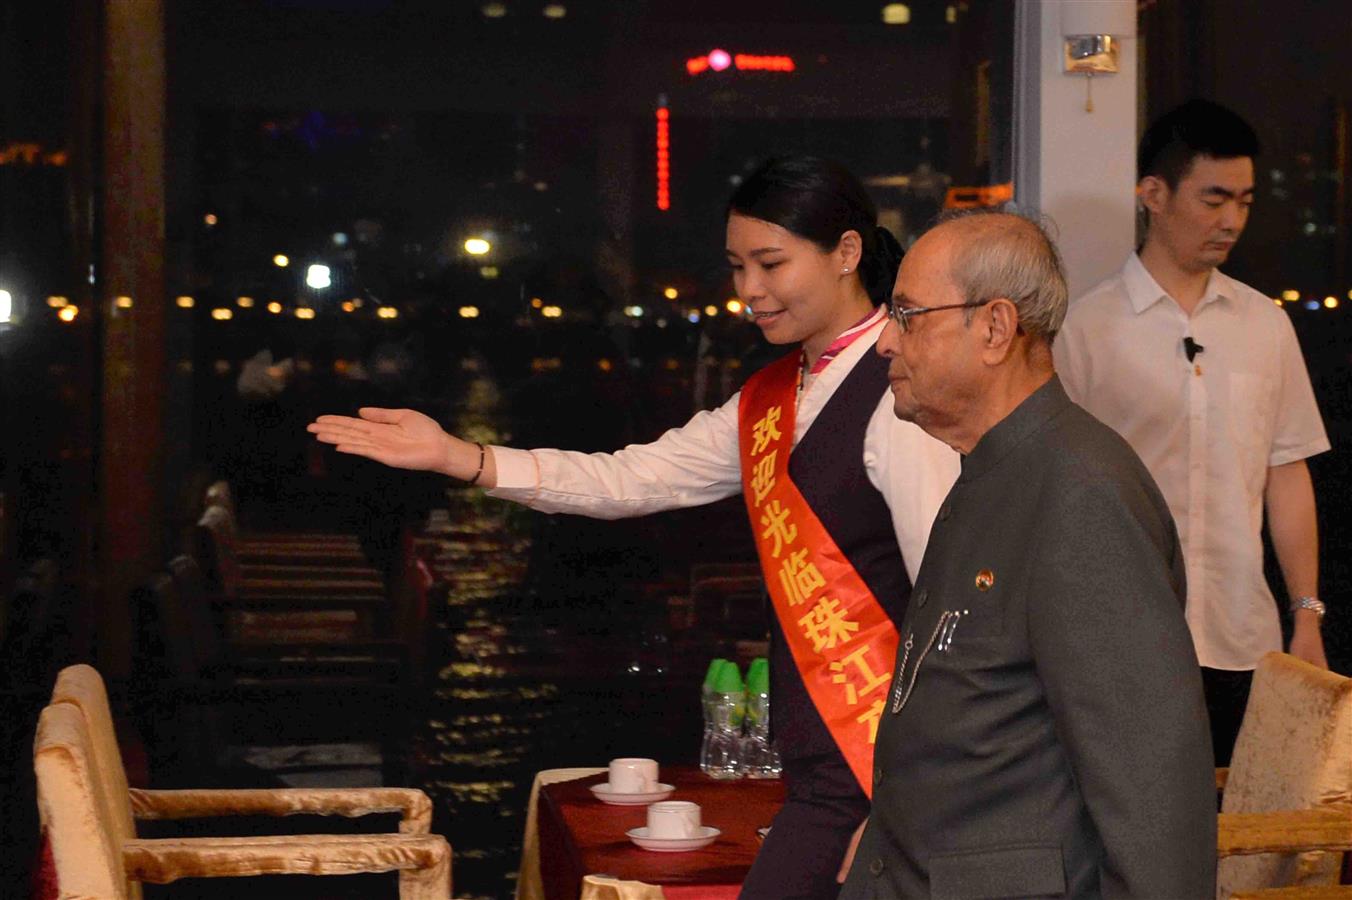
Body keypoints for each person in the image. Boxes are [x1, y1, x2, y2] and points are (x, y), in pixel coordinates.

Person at [309, 155, 960, 900]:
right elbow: (631, 478)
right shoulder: (774, 395)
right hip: (823, 764)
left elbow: (949, 615)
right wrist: (462, 457)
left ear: (846, 253)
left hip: (884, 774)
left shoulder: (902, 392)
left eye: (771, 263)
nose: (749, 290)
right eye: (737, 265)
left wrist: (907, 803)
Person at [839, 211, 1215, 898]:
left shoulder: (1080, 493)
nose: (885, 344)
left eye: (909, 315)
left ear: (994, 328)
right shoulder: (992, 471)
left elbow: (1152, 788)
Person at [1054, 99, 1331, 766]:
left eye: (1244, 200)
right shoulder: (1086, 331)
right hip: (1123, 639)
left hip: (1246, 634)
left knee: (1248, 840)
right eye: (1213, 199)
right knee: (1142, 838)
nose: (1231, 220)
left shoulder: (1266, 325)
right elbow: (1059, 493)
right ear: (1153, 194)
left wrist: (1308, 615)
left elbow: (1287, 473)